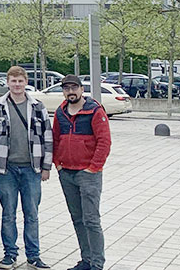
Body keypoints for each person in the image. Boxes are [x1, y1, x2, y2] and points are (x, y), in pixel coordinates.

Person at [0, 66, 52, 270]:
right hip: (6, 169)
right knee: (8, 213)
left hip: (32, 168)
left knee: (32, 214)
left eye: (20, 81)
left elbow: (47, 138)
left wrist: (46, 166)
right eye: (13, 81)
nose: (16, 84)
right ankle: (10, 254)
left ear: (26, 82)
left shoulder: (38, 106)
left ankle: (33, 255)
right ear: (7, 82)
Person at [52, 75, 111, 270]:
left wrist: (93, 167)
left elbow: (104, 142)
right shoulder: (60, 112)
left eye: (74, 87)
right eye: (66, 88)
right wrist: (57, 163)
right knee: (77, 219)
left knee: (91, 220)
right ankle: (86, 260)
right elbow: (55, 139)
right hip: (66, 173)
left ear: (81, 89)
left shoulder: (94, 111)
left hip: (88, 175)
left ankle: (97, 263)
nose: (71, 91)